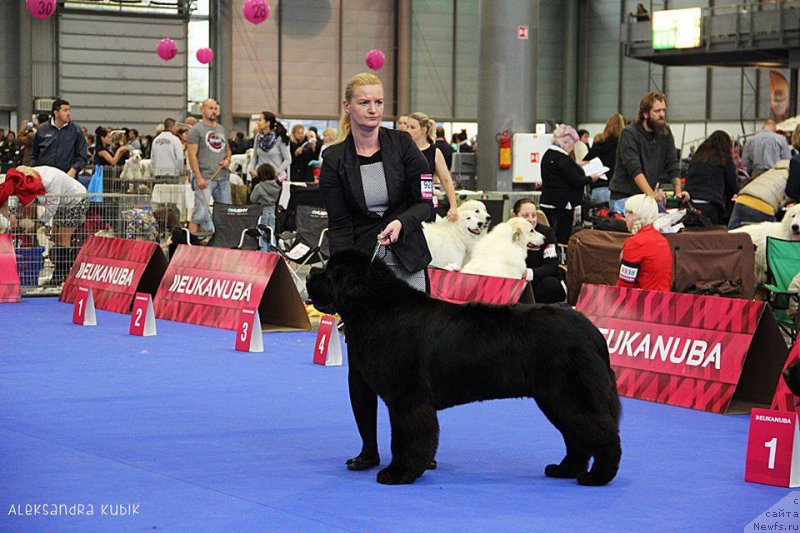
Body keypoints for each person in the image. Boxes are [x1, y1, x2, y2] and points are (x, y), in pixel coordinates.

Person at [318, 72, 433, 472]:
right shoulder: (333, 159)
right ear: (348, 107)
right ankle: (370, 448)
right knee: (363, 362)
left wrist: (402, 223)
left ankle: (420, 449)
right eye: (364, 102)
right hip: (364, 266)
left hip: (407, 259)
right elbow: (340, 224)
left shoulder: (402, 145)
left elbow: (426, 200)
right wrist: (348, 277)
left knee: (418, 361)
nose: (373, 110)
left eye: (379, 103)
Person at [0, 166, 88, 285]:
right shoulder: (25, 177)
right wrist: (12, 214)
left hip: (77, 200)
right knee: (56, 238)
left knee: (63, 237)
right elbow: (15, 195)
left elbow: (51, 208)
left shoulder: (52, 180)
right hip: (62, 204)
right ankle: (64, 272)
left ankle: (61, 277)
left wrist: (38, 225)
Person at [609, 92, 686, 212]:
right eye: (657, 111)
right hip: (624, 198)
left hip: (646, 198)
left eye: (664, 110)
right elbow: (634, 168)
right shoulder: (629, 133)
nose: (662, 115)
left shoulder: (665, 131)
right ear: (645, 114)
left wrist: (678, 193)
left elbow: (672, 164)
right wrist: (651, 194)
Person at [539, 124, 601, 245]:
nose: (572, 148)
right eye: (572, 144)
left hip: (547, 201)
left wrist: (577, 165)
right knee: (561, 237)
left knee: (549, 237)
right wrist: (590, 178)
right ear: (565, 143)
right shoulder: (563, 158)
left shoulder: (548, 155)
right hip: (561, 205)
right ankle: (562, 260)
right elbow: (575, 180)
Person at [187, 98, 232, 234]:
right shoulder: (196, 130)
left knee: (226, 214)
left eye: (215, 109)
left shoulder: (221, 129)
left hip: (223, 177)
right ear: (202, 110)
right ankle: (189, 243)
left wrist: (228, 160)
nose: (213, 111)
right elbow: (191, 155)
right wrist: (198, 177)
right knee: (200, 214)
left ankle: (223, 243)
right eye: (210, 108)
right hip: (205, 178)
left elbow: (228, 150)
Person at [406, 112, 458, 221]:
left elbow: (446, 180)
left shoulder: (435, 152)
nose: (408, 130)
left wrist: (453, 206)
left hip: (426, 205)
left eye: (412, 127)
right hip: (406, 205)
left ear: (423, 130)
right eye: (407, 127)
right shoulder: (404, 151)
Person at [512, 198, 565, 303]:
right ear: (515, 216)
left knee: (551, 284)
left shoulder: (547, 233)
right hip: (514, 281)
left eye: (534, 215)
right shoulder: (506, 233)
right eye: (525, 216)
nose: (531, 219)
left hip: (539, 281)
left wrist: (528, 273)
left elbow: (552, 266)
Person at [616, 194, 672, 292]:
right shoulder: (662, 240)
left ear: (635, 215)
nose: (625, 217)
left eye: (627, 213)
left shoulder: (635, 243)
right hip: (663, 301)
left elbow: (624, 286)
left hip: (642, 303)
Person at [683, 130, 738, 224]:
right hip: (711, 206)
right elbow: (732, 186)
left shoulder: (697, 157)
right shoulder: (724, 157)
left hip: (689, 205)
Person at [30, 99, 88, 177]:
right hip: (45, 177)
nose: (68, 113)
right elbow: (34, 153)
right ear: (56, 113)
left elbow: (82, 156)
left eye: (69, 110)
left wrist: (74, 170)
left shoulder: (76, 131)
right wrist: (34, 169)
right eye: (65, 110)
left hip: (67, 177)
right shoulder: (42, 129)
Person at [584, 113, 624, 204]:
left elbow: (586, 161)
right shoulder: (622, 143)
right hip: (614, 189)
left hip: (596, 186)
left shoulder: (597, 141)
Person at [248, 111, 291, 182]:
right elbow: (254, 156)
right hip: (259, 176)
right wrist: (251, 169)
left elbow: (288, 160)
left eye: (260, 120)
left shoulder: (280, 138)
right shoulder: (258, 137)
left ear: (267, 123)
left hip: (274, 178)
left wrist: (278, 172)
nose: (257, 122)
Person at [249, 162, 281, 250]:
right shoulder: (276, 186)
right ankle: (273, 251)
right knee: (271, 232)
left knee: (261, 233)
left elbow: (252, 199)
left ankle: (263, 252)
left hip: (262, 212)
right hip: (272, 211)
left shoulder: (259, 187)